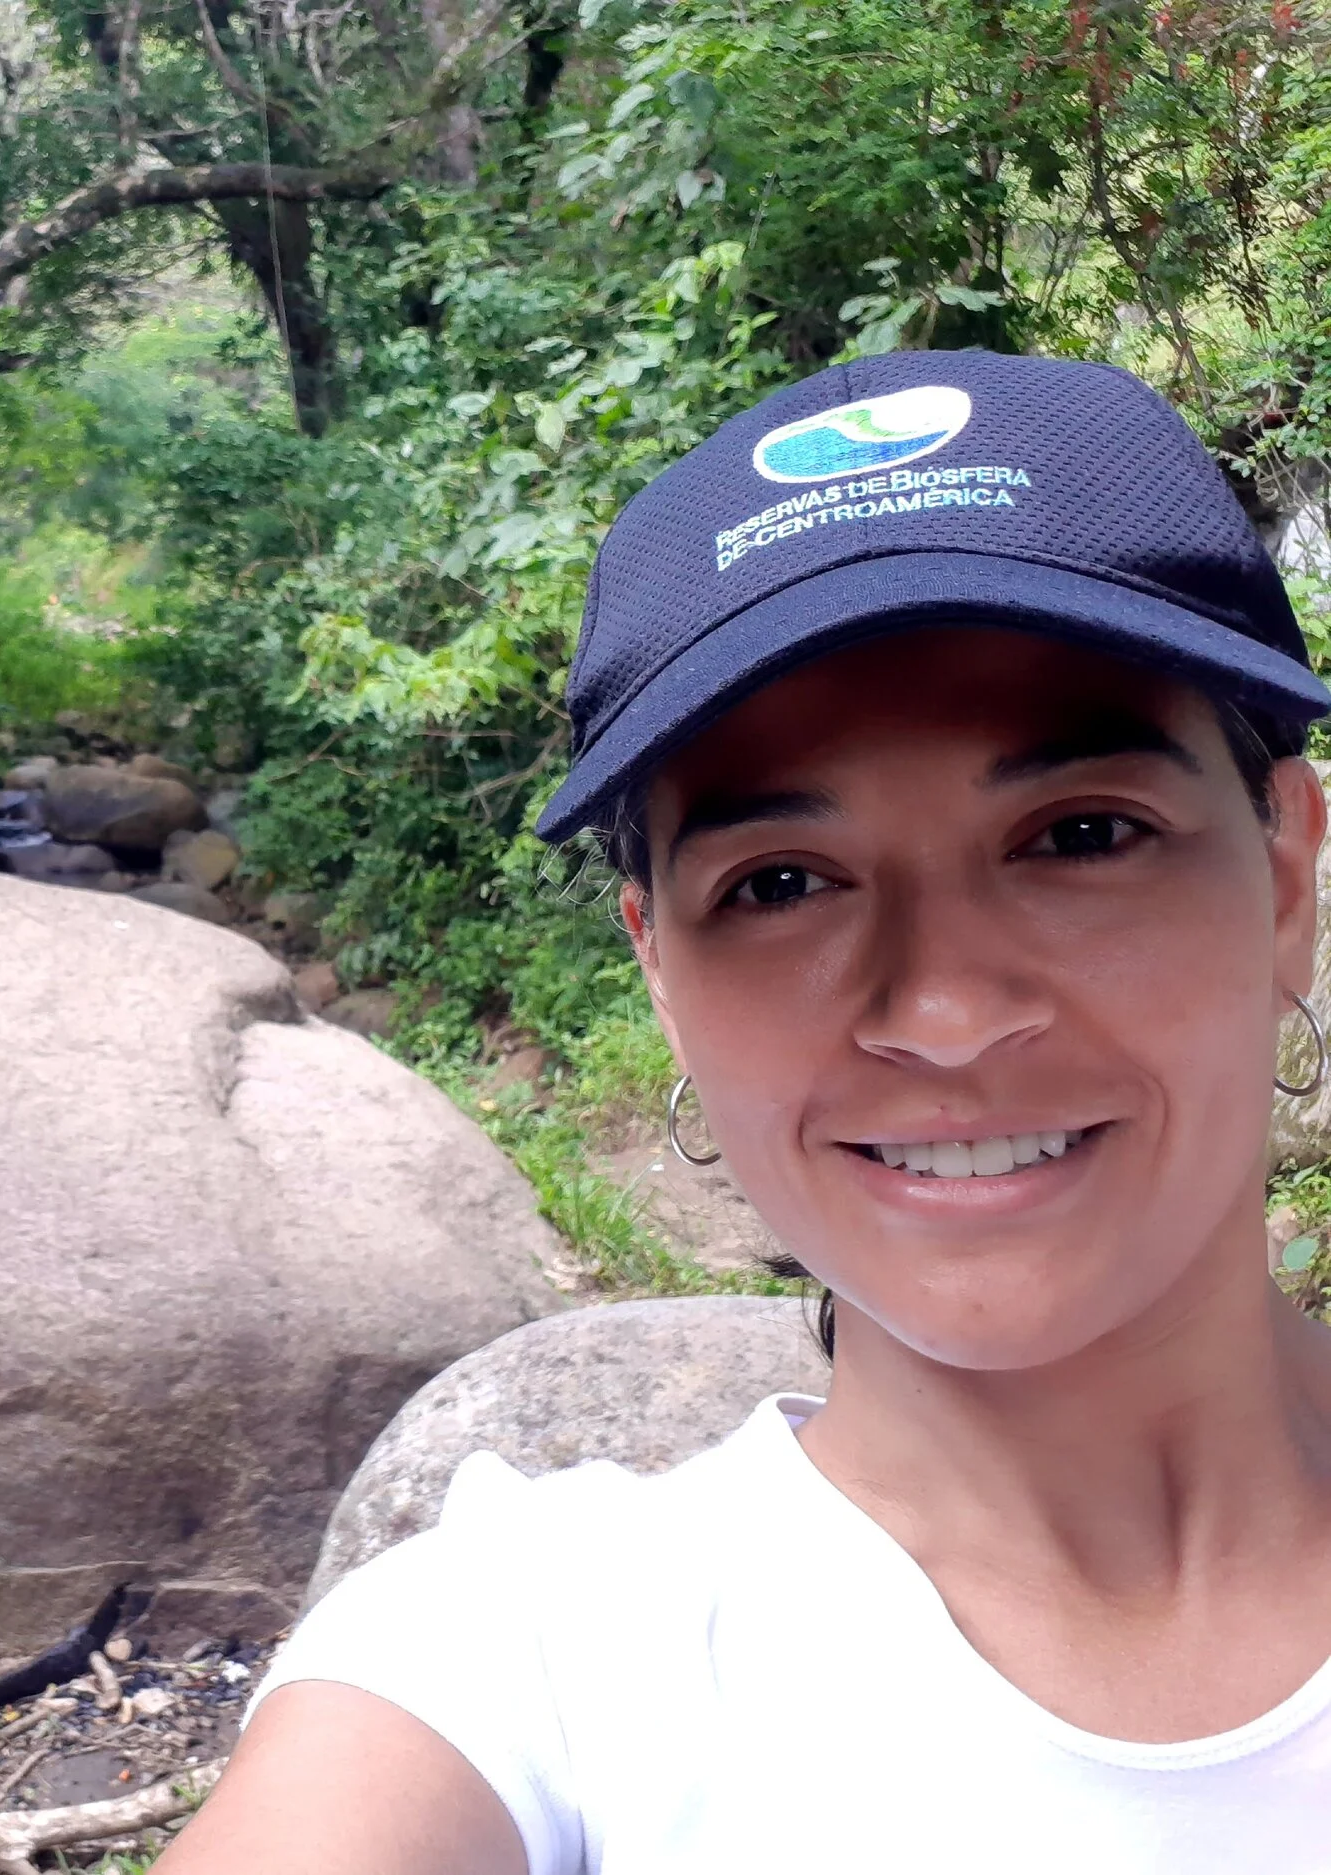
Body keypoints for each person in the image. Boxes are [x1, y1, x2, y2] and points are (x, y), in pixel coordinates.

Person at [154, 352, 1331, 1872]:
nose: (943, 1008)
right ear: (658, 965)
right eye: (777, 883)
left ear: (1287, 872)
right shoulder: (539, 1656)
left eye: (1082, 834)